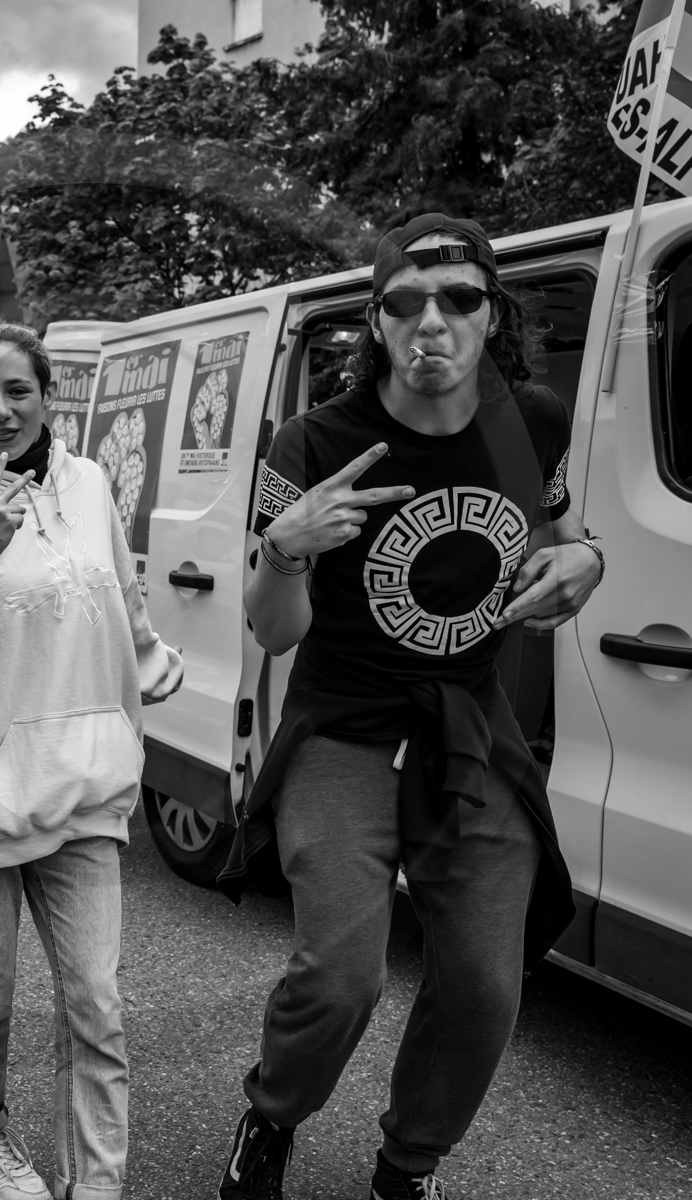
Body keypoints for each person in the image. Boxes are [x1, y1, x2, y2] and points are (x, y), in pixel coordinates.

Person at [215, 214, 603, 1200]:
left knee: (485, 980)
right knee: (342, 974)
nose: (433, 321)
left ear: (492, 312)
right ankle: (273, 1114)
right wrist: (284, 549)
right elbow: (272, 631)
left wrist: (585, 558)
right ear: (376, 322)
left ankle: (406, 1165)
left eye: (459, 298)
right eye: (404, 302)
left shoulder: (530, 422)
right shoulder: (315, 442)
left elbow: (560, 529)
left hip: (467, 730)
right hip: (341, 729)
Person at [0, 323, 183, 1200]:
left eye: (16, 389)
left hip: (85, 790)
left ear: (48, 393)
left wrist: (151, 673)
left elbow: (120, 596)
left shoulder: (91, 482)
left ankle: (96, 1184)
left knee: (97, 1003)